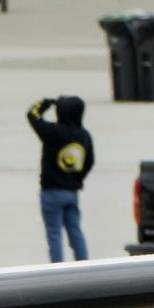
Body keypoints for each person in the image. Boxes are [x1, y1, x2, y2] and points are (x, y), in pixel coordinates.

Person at [28, 96, 94, 262]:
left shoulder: (53, 132)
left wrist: (44, 104)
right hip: (72, 192)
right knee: (75, 232)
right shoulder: (84, 136)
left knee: (54, 234)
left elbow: (32, 115)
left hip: (51, 191)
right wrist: (77, 178)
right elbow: (89, 161)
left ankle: (57, 268)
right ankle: (84, 265)